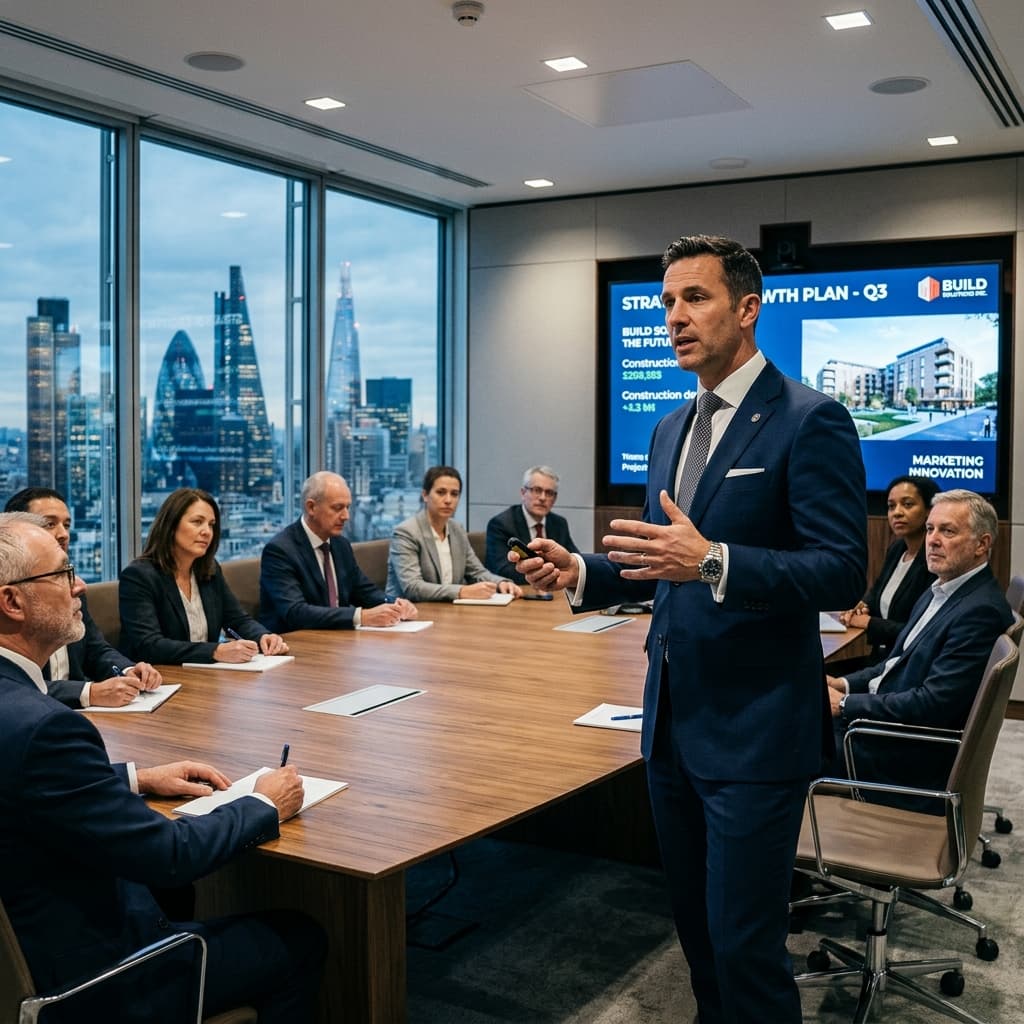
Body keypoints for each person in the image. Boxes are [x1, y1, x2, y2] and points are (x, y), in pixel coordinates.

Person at [514, 234, 867, 1024]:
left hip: (756, 731)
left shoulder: (810, 419)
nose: (674, 316)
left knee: (746, 949)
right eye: (667, 301)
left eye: (695, 298)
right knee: (699, 939)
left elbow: (843, 570)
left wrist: (714, 561)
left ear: (747, 309)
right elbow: (657, 560)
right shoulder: (670, 427)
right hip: (671, 724)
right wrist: (581, 573)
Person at [0, 512, 324, 1023]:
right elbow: (169, 854)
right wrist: (263, 802)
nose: (80, 586)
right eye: (63, 573)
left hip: (26, 942)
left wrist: (137, 778)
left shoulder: (20, 715)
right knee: (299, 937)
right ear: (12, 601)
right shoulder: (47, 727)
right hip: (93, 980)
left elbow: (21, 782)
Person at [828, 489, 1013, 791]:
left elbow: (932, 704)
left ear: (982, 544)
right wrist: (843, 684)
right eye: (930, 529)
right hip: (881, 726)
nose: (933, 540)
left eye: (947, 531)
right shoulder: (939, 589)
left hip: (899, 753)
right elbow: (895, 663)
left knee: (782, 741)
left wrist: (846, 704)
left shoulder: (980, 611)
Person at [3, 487, 162, 707]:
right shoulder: (15, 593)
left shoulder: (72, 584)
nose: (63, 534)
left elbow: (95, 648)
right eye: (49, 523)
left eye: (67, 525)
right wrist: (87, 692)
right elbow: (12, 683)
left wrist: (127, 670)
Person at [119, 488, 288, 665]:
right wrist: (215, 651)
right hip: (159, 675)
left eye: (211, 524)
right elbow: (150, 645)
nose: (207, 531)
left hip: (204, 673)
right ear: (171, 526)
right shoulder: (139, 576)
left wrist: (263, 637)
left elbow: (237, 620)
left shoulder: (209, 570)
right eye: (197, 522)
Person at [259, 471, 417, 630]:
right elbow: (295, 612)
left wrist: (395, 604)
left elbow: (363, 591)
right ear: (311, 507)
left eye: (348, 507)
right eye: (337, 508)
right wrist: (361, 616)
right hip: (295, 639)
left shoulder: (340, 544)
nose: (346, 516)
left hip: (336, 637)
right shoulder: (280, 551)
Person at [838, 475, 940, 659]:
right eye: (891, 506)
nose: (897, 513)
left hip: (907, 661)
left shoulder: (935, 560)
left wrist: (869, 623)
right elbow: (877, 591)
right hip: (882, 657)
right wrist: (862, 606)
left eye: (907, 504)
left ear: (929, 510)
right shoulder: (897, 549)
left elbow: (922, 632)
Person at [387, 466, 523, 602]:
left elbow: (476, 571)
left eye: (454, 494)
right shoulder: (406, 532)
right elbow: (413, 587)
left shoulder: (457, 529)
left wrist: (501, 583)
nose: (448, 500)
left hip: (447, 608)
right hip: (411, 610)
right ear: (425, 495)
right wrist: (461, 591)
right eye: (441, 492)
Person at [484, 465, 579, 580]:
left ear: (554, 498)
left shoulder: (559, 524)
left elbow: (574, 560)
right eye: (537, 490)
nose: (543, 498)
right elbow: (501, 570)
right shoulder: (501, 524)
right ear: (523, 493)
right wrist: (549, 571)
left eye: (549, 493)